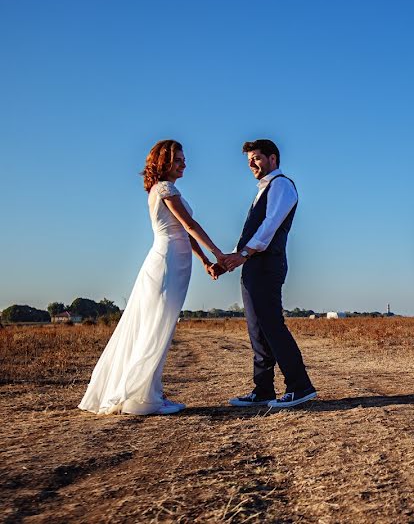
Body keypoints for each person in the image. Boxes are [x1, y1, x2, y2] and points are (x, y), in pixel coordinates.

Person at [80, 140, 225, 415]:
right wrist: (218, 252)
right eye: (179, 159)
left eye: (184, 159)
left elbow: (184, 232)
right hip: (166, 262)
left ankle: (150, 391)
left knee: (162, 327)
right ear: (164, 162)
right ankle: (144, 397)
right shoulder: (165, 189)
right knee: (156, 327)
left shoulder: (167, 189)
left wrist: (205, 260)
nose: (184, 164)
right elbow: (189, 225)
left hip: (177, 260)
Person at [217, 139, 316, 409]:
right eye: (249, 159)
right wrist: (229, 258)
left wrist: (244, 254)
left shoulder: (282, 184)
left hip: (266, 264)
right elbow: (253, 231)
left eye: (257, 157)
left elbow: (269, 226)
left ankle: (300, 386)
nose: (251, 163)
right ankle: (263, 389)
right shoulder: (263, 189)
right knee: (257, 329)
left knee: (272, 326)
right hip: (253, 264)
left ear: (273, 159)